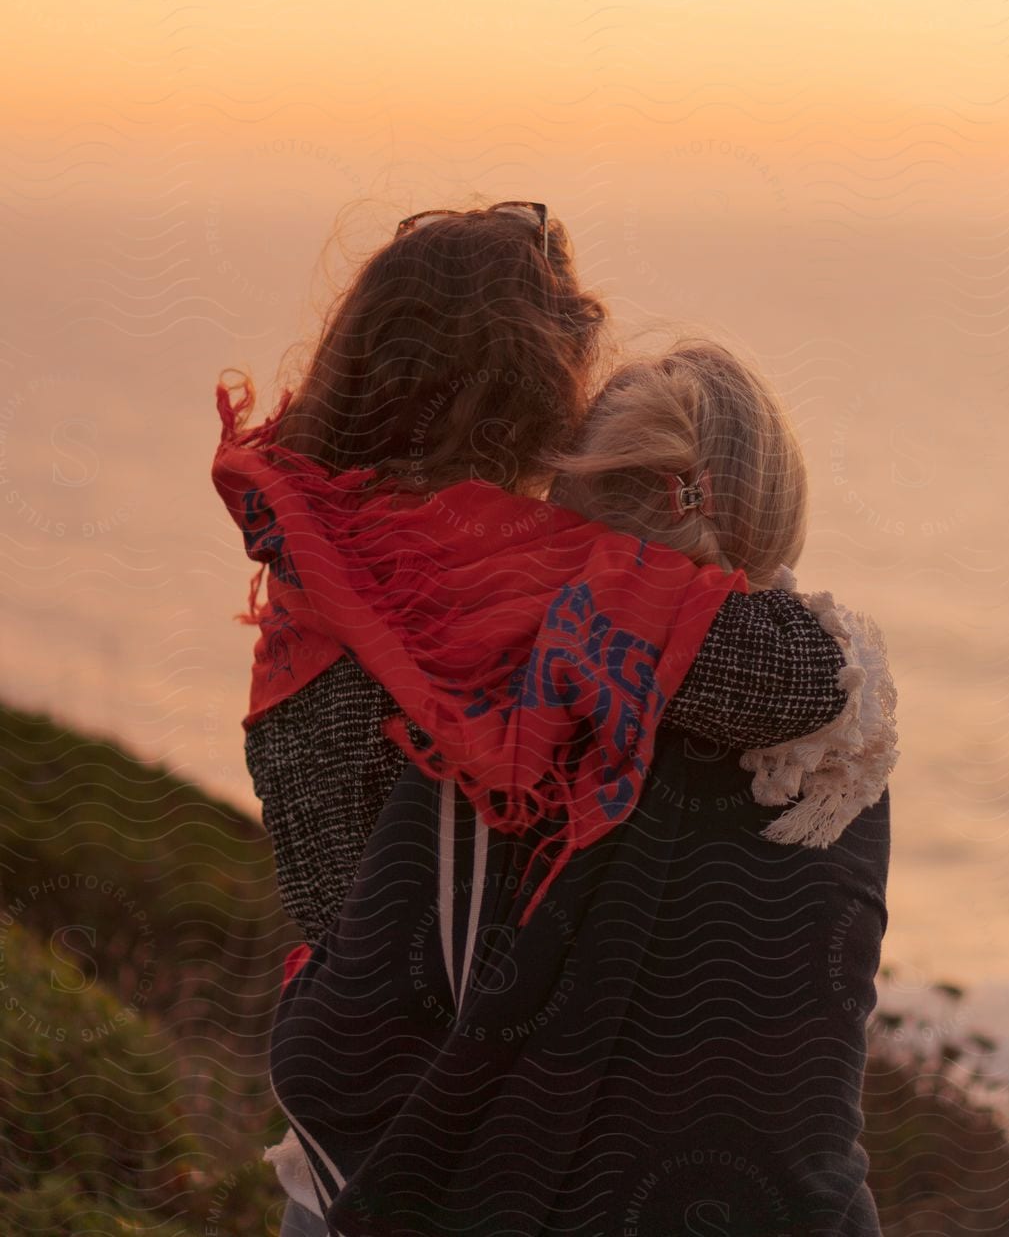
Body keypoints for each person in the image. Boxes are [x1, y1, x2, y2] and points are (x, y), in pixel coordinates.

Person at [211, 203, 895, 1233]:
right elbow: (806, 677)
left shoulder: (304, 594)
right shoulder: (568, 595)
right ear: (527, 397)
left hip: (364, 1150)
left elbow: (341, 918)